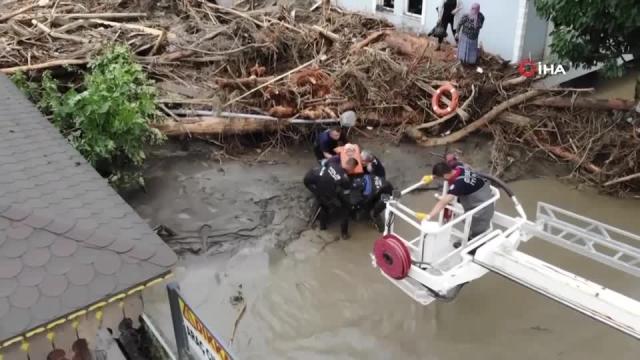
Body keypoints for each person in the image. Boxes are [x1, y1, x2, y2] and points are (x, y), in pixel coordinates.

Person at [423, 161, 494, 245]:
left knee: (476, 230)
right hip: (485, 195)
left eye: (441, 178)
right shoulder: (459, 167)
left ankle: (474, 247)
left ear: (445, 175)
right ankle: (471, 238)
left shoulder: (459, 184)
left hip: (482, 209)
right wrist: (432, 177)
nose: (442, 180)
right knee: (468, 221)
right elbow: (448, 168)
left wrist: (429, 216)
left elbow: (443, 202)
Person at [304, 158, 359, 239]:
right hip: (319, 188)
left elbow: (324, 163)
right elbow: (347, 189)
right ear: (351, 167)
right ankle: (344, 234)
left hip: (310, 177)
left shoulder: (333, 163)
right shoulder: (344, 178)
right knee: (344, 210)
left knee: (323, 202)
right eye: (353, 169)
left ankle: (322, 227)